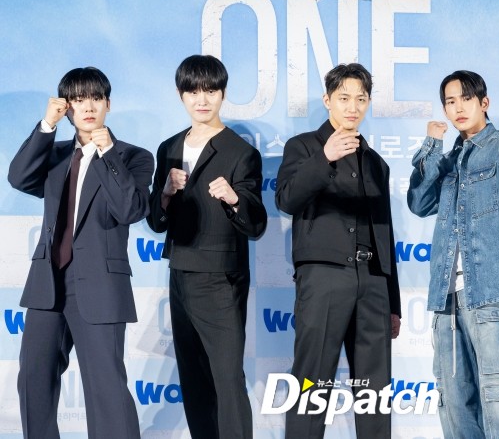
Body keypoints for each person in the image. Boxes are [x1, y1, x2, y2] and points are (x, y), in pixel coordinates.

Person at [8, 67, 153, 439]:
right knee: (33, 381)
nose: (87, 107)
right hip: (47, 283)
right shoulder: (54, 155)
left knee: (106, 389)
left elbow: (130, 209)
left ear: (108, 104)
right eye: (78, 99)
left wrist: (107, 154)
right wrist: (46, 125)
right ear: (66, 106)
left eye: (95, 98)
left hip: (100, 284)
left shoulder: (133, 157)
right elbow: (19, 177)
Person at [407, 70, 499, 439]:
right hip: (446, 300)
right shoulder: (448, 159)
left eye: (466, 99)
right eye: (450, 102)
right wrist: (432, 146)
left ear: (484, 102)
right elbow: (419, 202)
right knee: (455, 405)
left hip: (491, 295)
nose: (458, 108)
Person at [276, 63, 401, 438]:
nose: (353, 107)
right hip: (324, 277)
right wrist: (324, 158)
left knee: (374, 392)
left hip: (373, 283)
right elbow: (287, 199)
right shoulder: (303, 146)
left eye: (361, 99)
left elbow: (385, 232)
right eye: (344, 98)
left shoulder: (376, 162)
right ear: (327, 100)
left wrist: (392, 301)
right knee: (312, 383)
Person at [147, 55, 267, 439]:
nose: (202, 100)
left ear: (223, 94)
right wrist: (165, 195)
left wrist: (234, 198)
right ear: (181, 95)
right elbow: (155, 221)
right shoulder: (168, 147)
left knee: (227, 379)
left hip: (220, 278)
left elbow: (257, 224)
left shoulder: (240, 152)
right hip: (180, 272)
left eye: (211, 91)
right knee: (193, 377)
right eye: (193, 92)